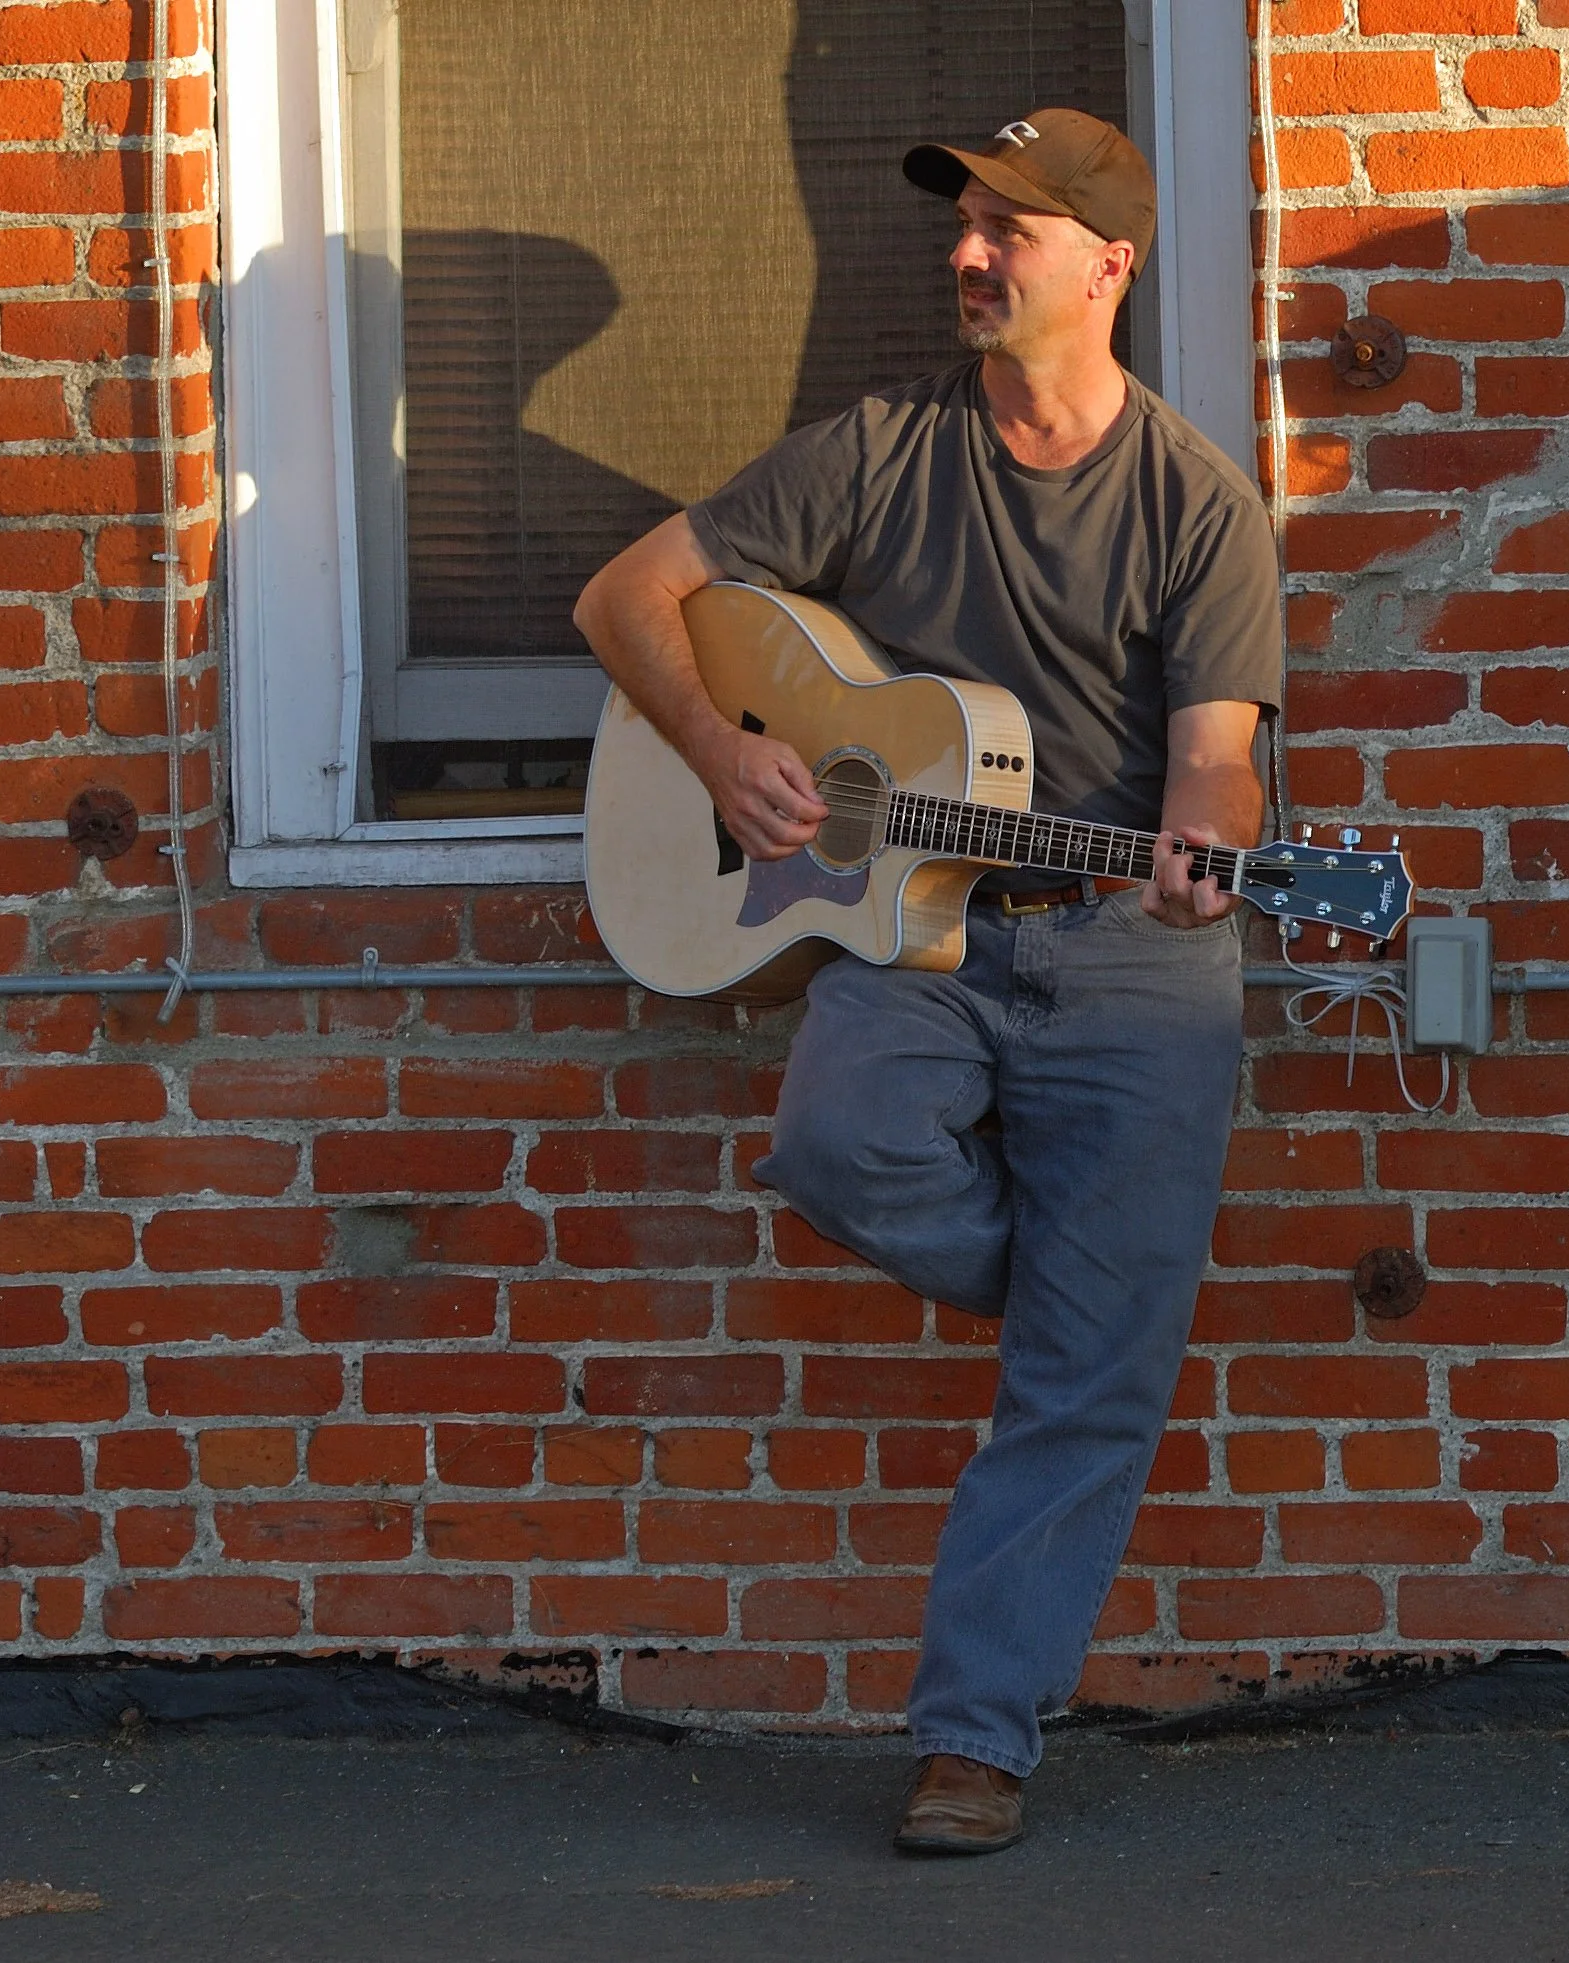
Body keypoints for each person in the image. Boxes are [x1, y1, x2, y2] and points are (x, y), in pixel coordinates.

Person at [574, 108, 1281, 1856]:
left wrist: (1204, 847)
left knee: (1086, 1389)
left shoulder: (1198, 504)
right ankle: (1087, 1308)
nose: (968, 256)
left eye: (1008, 230)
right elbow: (629, 594)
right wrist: (722, 756)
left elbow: (1215, 765)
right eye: (962, 225)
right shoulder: (881, 451)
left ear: (1106, 265)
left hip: (1126, 954)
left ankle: (975, 1735)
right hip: (914, 931)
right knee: (841, 1151)